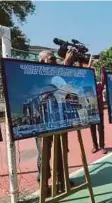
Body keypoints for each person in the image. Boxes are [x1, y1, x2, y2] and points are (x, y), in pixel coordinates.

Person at [36, 50, 74, 193]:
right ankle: (44, 184)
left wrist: (66, 66)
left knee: (61, 150)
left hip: (59, 118)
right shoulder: (37, 75)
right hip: (43, 121)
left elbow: (66, 89)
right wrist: (65, 65)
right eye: (51, 59)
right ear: (42, 61)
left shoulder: (57, 76)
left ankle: (61, 180)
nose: (55, 61)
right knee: (44, 153)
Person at [90, 67, 107, 155]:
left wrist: (102, 69)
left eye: (95, 77)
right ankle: (95, 146)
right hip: (91, 112)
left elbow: (103, 80)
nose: (94, 79)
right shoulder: (88, 87)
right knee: (92, 130)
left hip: (99, 111)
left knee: (101, 129)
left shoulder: (99, 86)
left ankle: (102, 146)